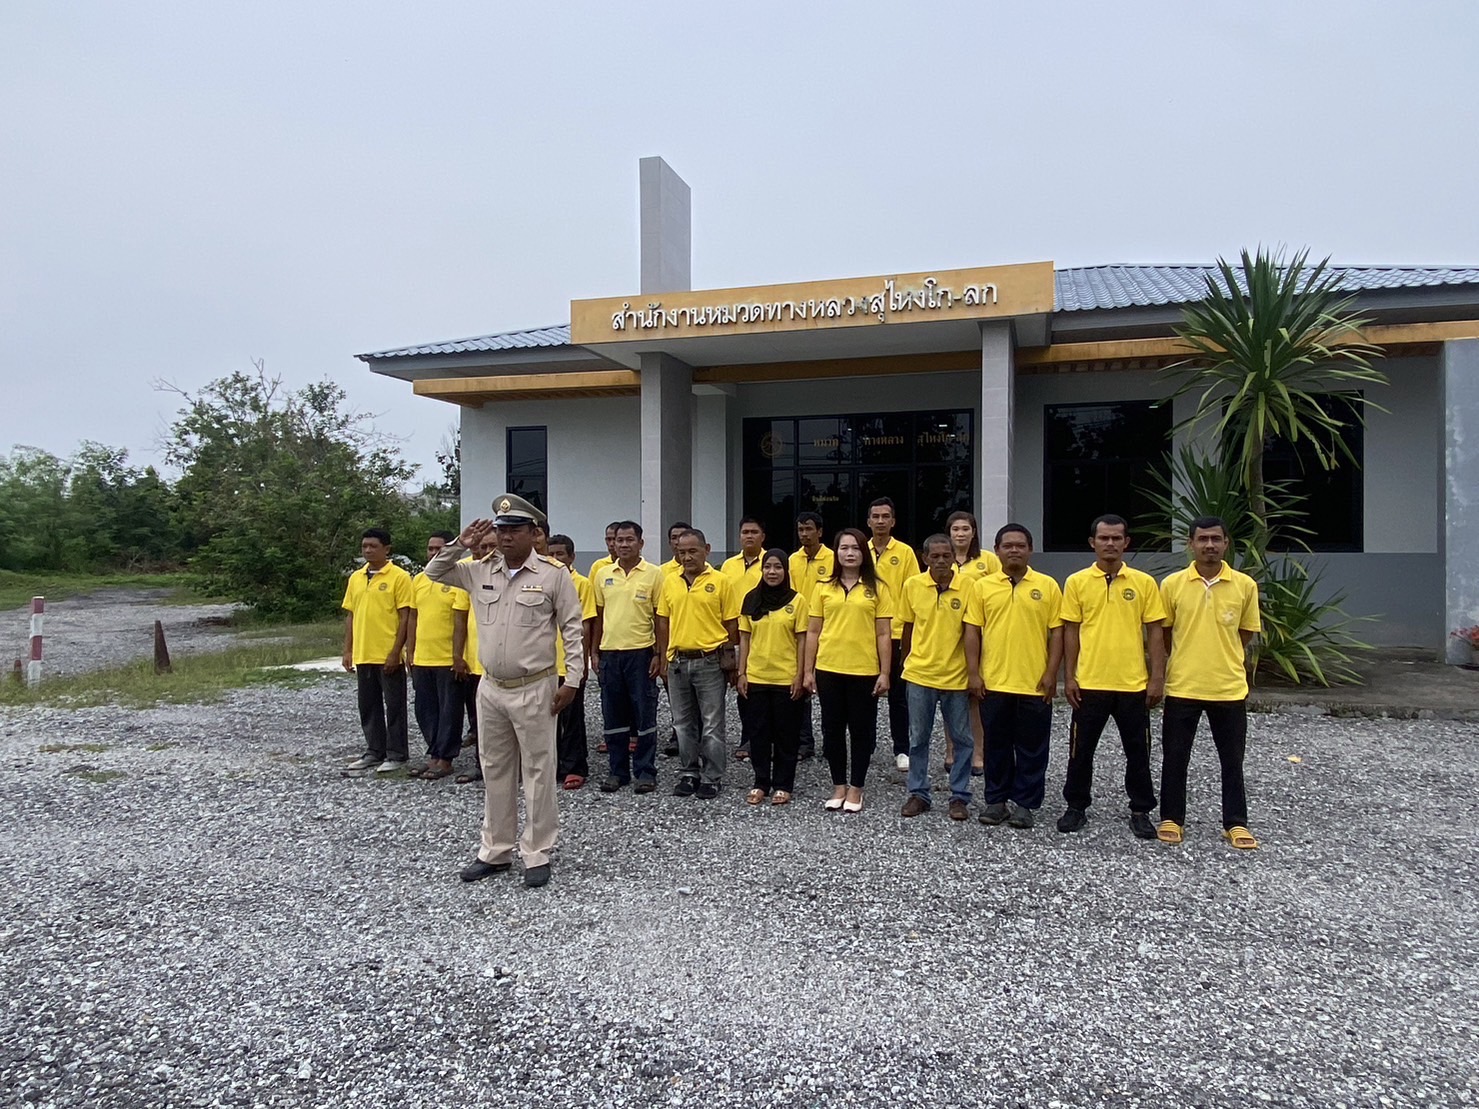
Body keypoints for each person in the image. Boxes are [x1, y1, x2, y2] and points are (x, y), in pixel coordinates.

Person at [426, 495, 584, 889]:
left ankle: (537, 852)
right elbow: (433, 572)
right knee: (494, 769)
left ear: (533, 533)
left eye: (514, 529)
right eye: (501, 529)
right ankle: (495, 850)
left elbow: (572, 629)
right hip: (491, 687)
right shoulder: (479, 570)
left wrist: (572, 680)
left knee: (538, 771)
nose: (506, 536)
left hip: (534, 686)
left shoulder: (553, 575)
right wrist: (460, 543)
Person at [1056, 514, 1166, 839]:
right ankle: (1076, 806)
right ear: (1092, 543)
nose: (1110, 544)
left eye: (1117, 538)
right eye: (1104, 538)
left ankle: (1141, 809)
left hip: (1132, 684)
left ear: (1126, 543)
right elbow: (1071, 632)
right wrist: (1069, 677)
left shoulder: (1144, 583)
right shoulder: (1076, 582)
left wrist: (1157, 677)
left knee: (1138, 752)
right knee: (1080, 751)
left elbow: (1155, 632)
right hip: (1090, 683)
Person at [1156, 516, 1262, 850]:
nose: (1210, 545)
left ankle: (1235, 822)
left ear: (1226, 543)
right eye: (1202, 539)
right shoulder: (1172, 584)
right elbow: (1166, 632)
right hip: (1183, 685)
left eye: (1216, 539)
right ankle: (1172, 818)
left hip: (1228, 687)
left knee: (1232, 760)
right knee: (1175, 757)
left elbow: (1244, 632)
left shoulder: (1244, 585)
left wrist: (1222, 654)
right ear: (1190, 544)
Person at [964, 523, 1063, 830]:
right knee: (996, 745)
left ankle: (1025, 804)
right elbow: (972, 631)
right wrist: (973, 673)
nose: (1014, 550)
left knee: (1033, 748)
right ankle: (996, 801)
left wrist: (1052, 673)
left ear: (1030, 550)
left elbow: (1057, 633)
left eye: (1020, 545)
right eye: (1008, 546)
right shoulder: (982, 587)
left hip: (1034, 683)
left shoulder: (1047, 586)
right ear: (997, 551)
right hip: (994, 681)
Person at [803, 527, 892, 813]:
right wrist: (808, 671)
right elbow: (813, 631)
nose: (850, 553)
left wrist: (885, 672)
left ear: (863, 552)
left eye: (855, 548)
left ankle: (856, 788)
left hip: (864, 670)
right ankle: (838, 785)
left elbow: (883, 634)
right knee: (832, 730)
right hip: (829, 668)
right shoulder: (823, 588)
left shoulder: (878, 588)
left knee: (861, 731)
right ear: (836, 552)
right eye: (844, 548)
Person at [656, 528, 740, 798]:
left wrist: (731, 660)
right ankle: (688, 772)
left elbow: (731, 623)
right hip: (678, 661)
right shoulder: (670, 581)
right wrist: (663, 656)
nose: (687, 557)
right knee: (682, 723)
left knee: (712, 723)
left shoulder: (721, 581)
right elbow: (663, 621)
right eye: (682, 552)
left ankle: (712, 776)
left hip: (709, 661)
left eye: (693, 551)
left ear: (707, 550)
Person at [898, 535, 974, 821]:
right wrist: (905, 660)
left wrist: (974, 671)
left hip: (956, 676)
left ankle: (959, 796)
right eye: (935, 556)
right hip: (920, 675)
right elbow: (907, 626)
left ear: (954, 557)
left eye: (946, 555)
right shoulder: (912, 585)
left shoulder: (969, 586)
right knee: (918, 738)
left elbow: (973, 631)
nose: (941, 561)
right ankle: (919, 793)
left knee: (963, 740)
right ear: (925, 558)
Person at [591, 520, 664, 793]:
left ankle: (645, 771)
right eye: (618, 540)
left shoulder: (654, 574)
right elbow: (598, 617)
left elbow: (660, 618)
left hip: (641, 653)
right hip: (610, 654)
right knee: (613, 715)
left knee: (644, 714)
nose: (623, 545)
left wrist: (658, 653)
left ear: (640, 543)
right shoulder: (602, 574)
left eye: (629, 540)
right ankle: (617, 771)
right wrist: (594, 651)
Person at [737, 549, 809, 806]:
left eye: (778, 567)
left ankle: (783, 784)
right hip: (756, 677)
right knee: (758, 734)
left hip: (786, 678)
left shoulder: (797, 601)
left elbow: (802, 640)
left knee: (786, 735)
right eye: (768, 567)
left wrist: (800, 674)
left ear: (786, 571)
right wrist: (742, 673)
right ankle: (760, 782)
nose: (772, 572)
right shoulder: (751, 599)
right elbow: (745, 639)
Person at [341, 528, 414, 774]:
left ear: (386, 549)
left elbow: (405, 616)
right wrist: (348, 649)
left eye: (373, 546)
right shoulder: (356, 577)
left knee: (394, 706)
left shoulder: (399, 577)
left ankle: (397, 753)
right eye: (365, 546)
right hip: (364, 652)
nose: (368, 550)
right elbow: (351, 615)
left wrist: (396, 651)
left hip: (387, 652)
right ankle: (374, 750)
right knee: (368, 705)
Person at [407, 531, 468, 781]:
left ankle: (446, 758)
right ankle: (433, 753)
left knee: (449, 711)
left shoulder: (458, 579)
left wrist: (458, 655)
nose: (433, 553)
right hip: (423, 657)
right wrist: (410, 651)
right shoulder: (420, 579)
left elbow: (460, 620)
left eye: (438, 549)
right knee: (425, 710)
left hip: (447, 658)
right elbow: (413, 616)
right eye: (430, 549)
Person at [866, 497, 920, 771]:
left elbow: (914, 592)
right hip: (865, 633)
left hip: (896, 632)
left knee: (899, 696)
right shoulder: (860, 550)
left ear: (893, 521)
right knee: (866, 694)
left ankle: (902, 748)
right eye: (875, 516)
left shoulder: (905, 552)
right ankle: (867, 745)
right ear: (868, 521)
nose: (880, 521)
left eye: (885, 516)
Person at [945, 510, 999, 776]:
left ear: (974, 532)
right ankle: (951, 750)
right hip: (948, 634)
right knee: (950, 695)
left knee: (975, 695)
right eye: (955, 529)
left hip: (980, 632)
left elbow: (1000, 587)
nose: (960, 534)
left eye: (965, 529)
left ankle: (979, 750)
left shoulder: (987, 560)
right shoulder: (942, 558)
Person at [548, 533, 597, 790]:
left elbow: (585, 625)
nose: (555, 559)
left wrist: (584, 659)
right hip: (544, 663)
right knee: (546, 718)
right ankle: (551, 764)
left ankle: (575, 766)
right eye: (551, 554)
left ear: (572, 557)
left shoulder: (582, 584)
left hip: (569, 661)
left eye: (560, 554)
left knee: (572, 717)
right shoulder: (541, 581)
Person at [450, 529, 500, 785]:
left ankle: (512, 767)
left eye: (492, 546)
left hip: (503, 663)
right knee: (479, 719)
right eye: (482, 547)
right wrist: (457, 655)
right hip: (476, 661)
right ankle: (482, 765)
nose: (486, 552)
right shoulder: (470, 574)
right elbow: (460, 619)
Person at [788, 511, 834, 761]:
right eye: (800, 530)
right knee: (800, 686)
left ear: (820, 532)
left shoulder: (833, 558)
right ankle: (804, 742)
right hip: (798, 630)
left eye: (809, 529)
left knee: (827, 690)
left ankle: (831, 742)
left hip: (826, 630)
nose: (804, 534)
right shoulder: (792, 560)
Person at [720, 516, 767, 759]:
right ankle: (747, 737)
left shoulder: (770, 563)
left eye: (754, 532)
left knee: (763, 689)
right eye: (745, 532)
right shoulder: (728, 566)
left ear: (762, 537)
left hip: (763, 634)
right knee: (742, 688)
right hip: (735, 635)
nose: (749, 536)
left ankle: (767, 738)